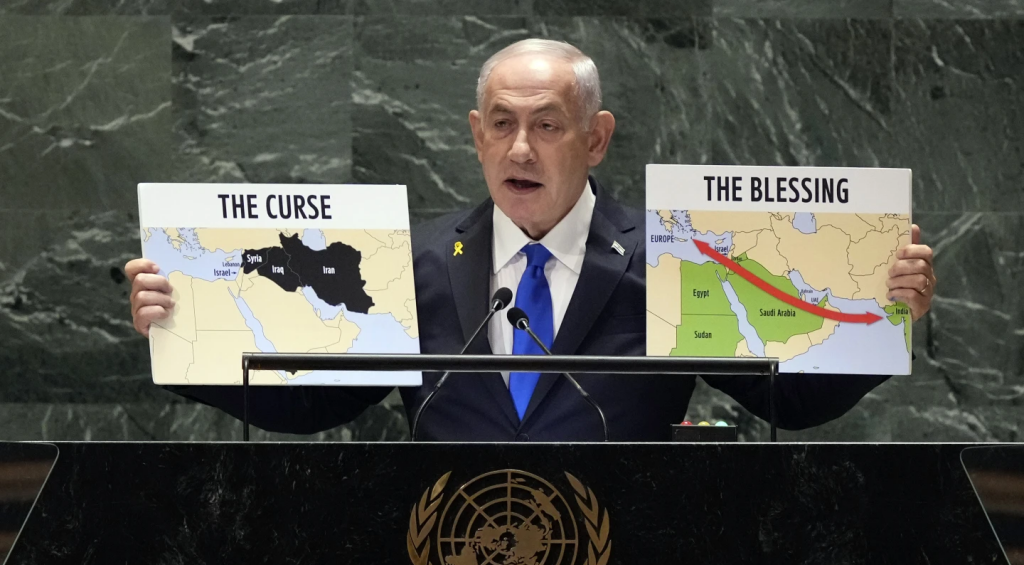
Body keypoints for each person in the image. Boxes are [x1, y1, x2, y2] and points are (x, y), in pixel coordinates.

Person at [124, 39, 936, 441]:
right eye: (503, 125)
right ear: (476, 136)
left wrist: (883, 316)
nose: (520, 148)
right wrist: (184, 338)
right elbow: (314, 401)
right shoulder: (415, 264)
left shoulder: (672, 261)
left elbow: (786, 400)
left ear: (595, 138)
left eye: (547, 125)